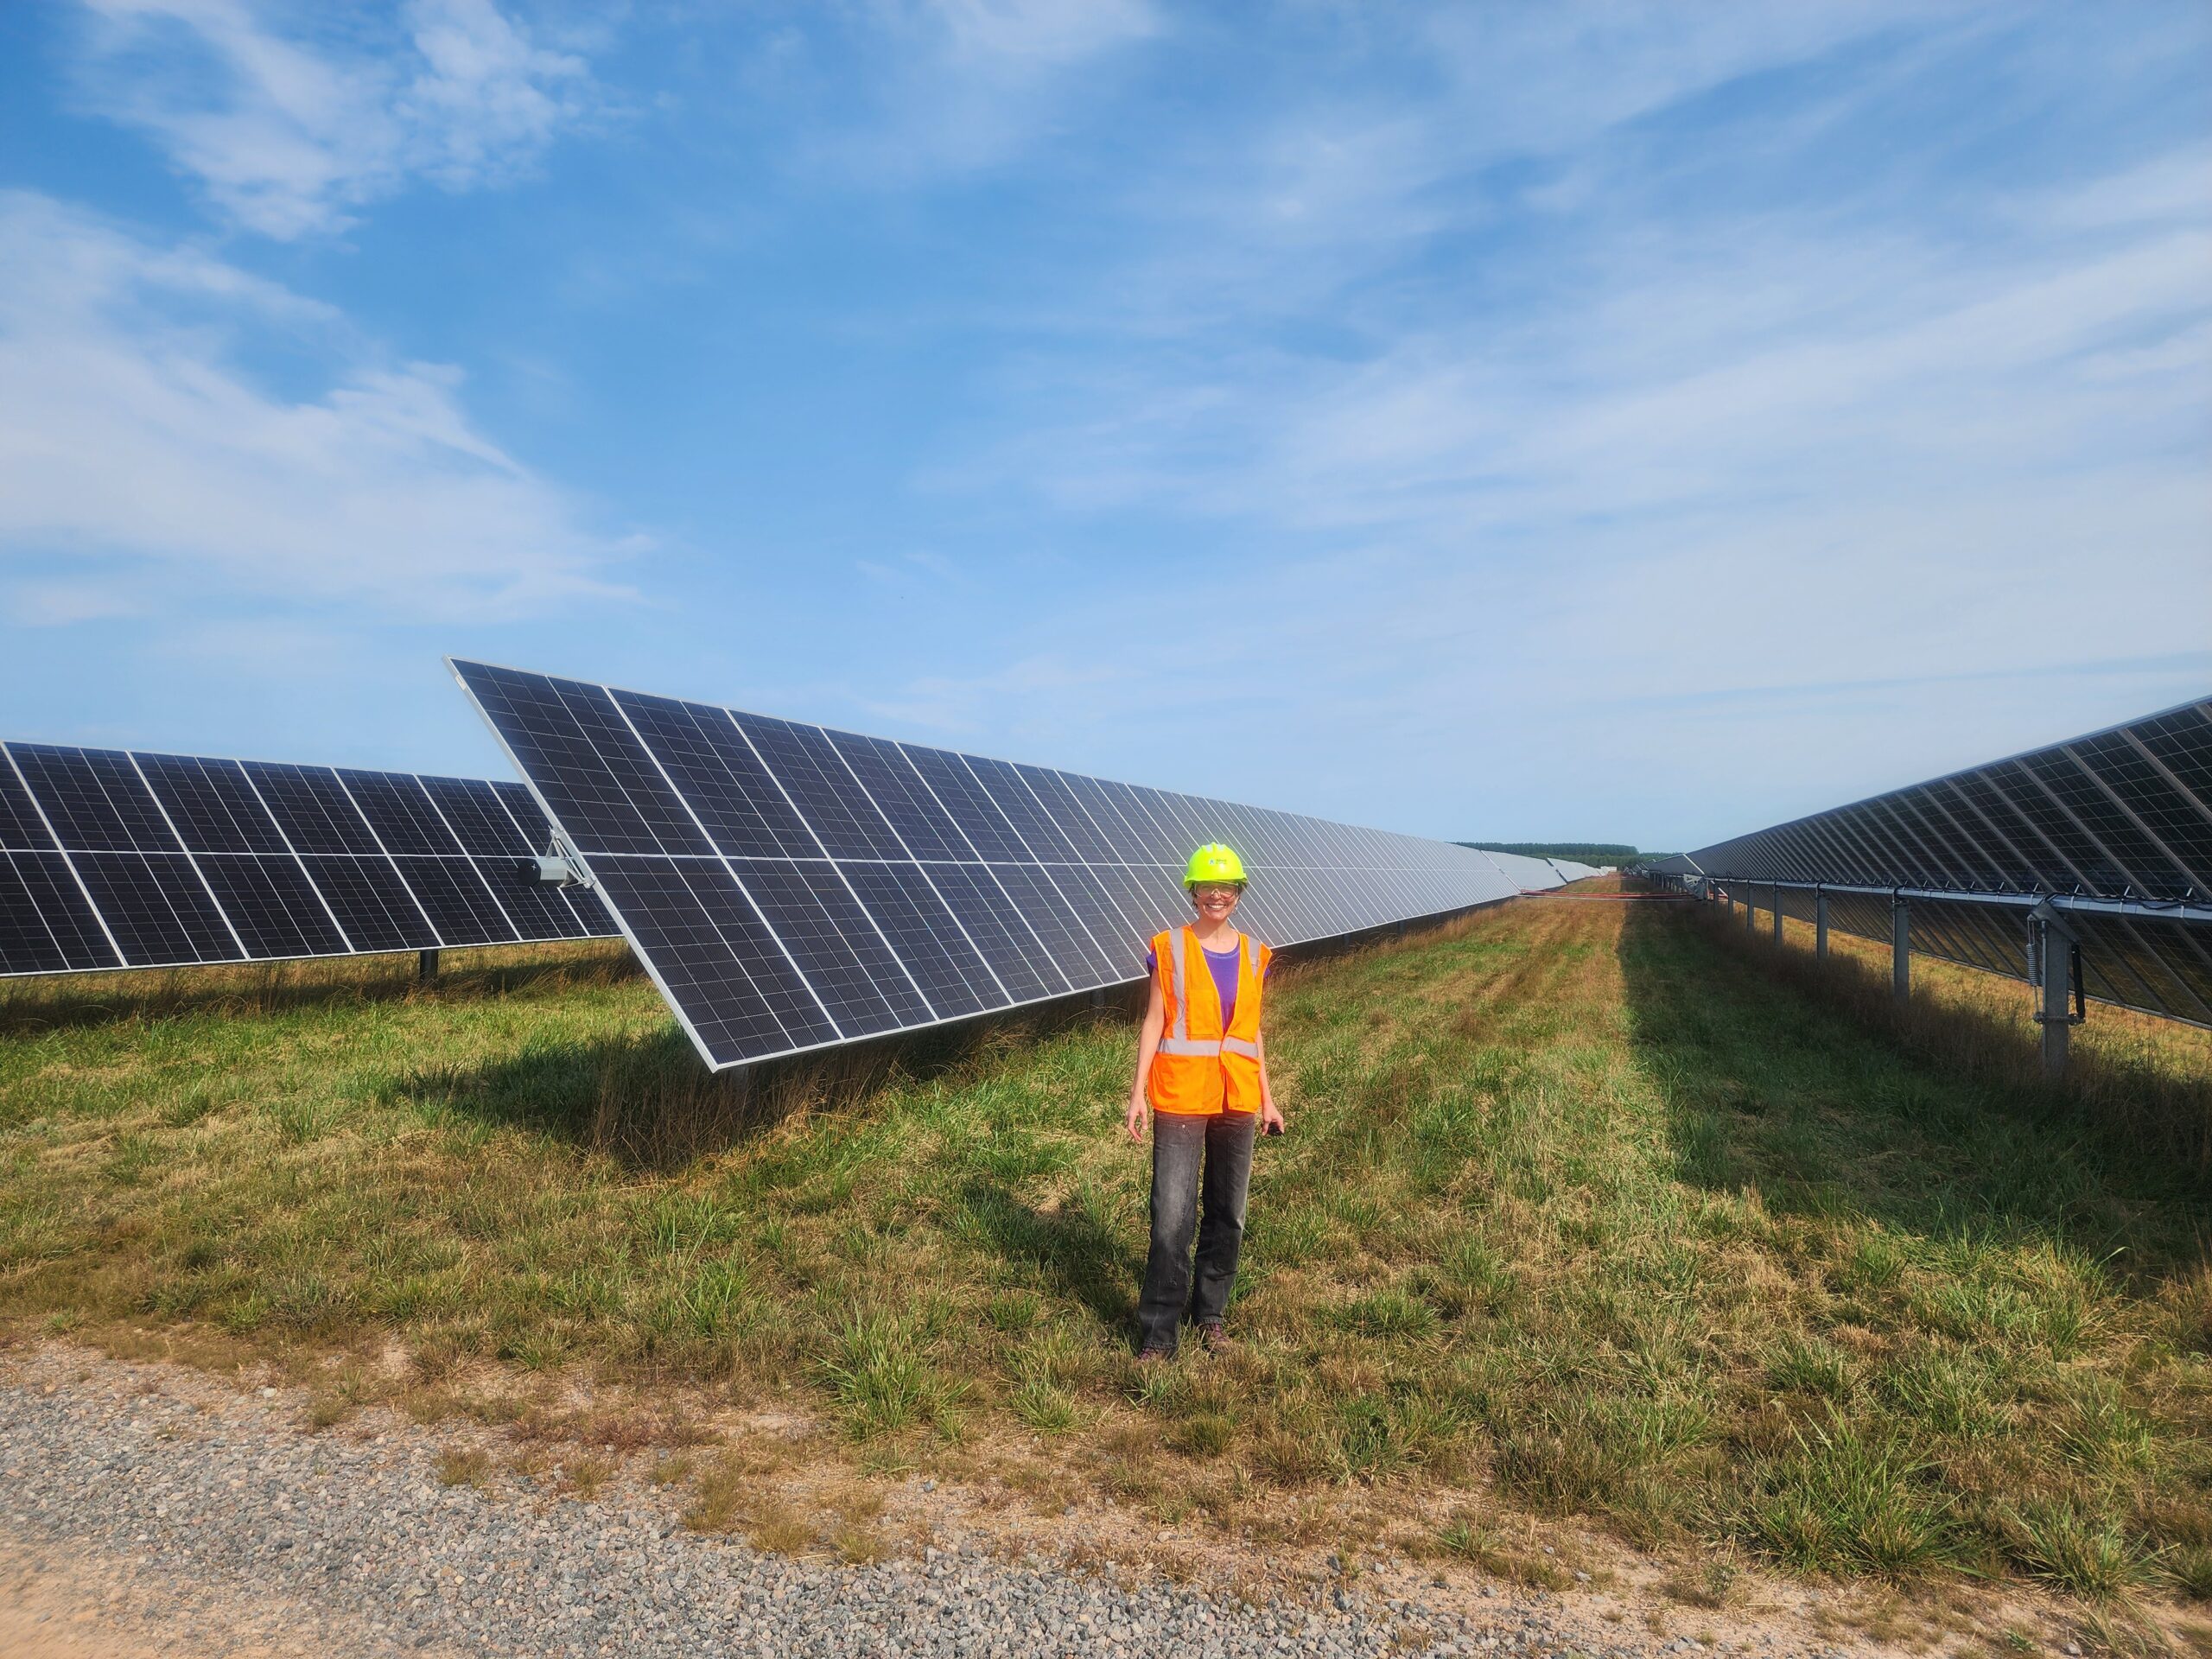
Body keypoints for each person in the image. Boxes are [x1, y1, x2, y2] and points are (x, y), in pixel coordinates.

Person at [1124, 843, 1285, 1360]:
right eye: (1206, 886)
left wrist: (1268, 1098)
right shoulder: (1168, 948)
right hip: (1179, 1096)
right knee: (1172, 1218)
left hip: (1236, 1098)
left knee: (1227, 1214)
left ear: (1240, 892)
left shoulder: (1257, 954)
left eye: (1227, 887)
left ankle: (1210, 1315)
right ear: (1191, 890)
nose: (1217, 895)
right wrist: (1137, 1092)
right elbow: (1154, 1021)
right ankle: (1159, 1332)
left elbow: (1250, 1032)